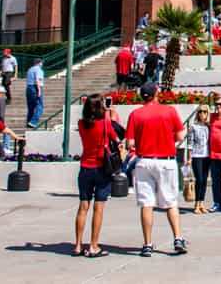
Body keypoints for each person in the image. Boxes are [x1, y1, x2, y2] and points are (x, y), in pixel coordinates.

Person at [125, 82, 188, 257]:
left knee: (146, 203)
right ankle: (177, 237)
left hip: (144, 160)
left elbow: (130, 142)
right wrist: (168, 138)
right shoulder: (169, 111)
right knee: (170, 201)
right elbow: (180, 134)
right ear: (156, 93)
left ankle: (147, 243)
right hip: (165, 159)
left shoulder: (135, 114)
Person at [75, 93, 119, 257]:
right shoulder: (105, 122)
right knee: (98, 208)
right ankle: (93, 245)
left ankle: (78, 244)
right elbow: (115, 137)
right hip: (101, 167)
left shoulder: (81, 124)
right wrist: (109, 114)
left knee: (83, 207)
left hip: (85, 166)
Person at [187, 105, 210, 214]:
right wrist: (189, 157)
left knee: (204, 180)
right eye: (200, 111)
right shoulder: (193, 126)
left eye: (205, 112)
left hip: (207, 155)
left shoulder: (208, 126)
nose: (202, 114)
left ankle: (201, 202)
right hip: (197, 155)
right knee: (199, 179)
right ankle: (196, 203)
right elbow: (190, 143)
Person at [25, 58, 44, 128]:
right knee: (40, 106)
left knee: (31, 107)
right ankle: (33, 122)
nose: (42, 64)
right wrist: (39, 91)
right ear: (39, 63)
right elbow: (37, 80)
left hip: (28, 88)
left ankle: (28, 121)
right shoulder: (38, 69)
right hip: (35, 87)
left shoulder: (30, 69)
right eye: (41, 63)